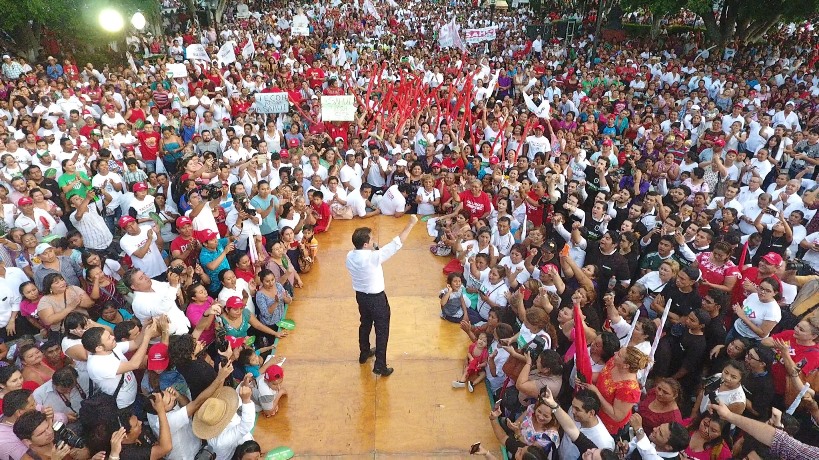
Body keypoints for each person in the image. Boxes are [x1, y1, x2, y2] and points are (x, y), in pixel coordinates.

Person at [346, 215, 419, 376]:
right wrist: (411, 224)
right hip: (376, 298)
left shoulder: (350, 256)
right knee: (382, 330)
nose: (373, 241)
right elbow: (396, 243)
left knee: (365, 323)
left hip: (361, 296)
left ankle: (364, 351)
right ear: (366, 244)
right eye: (371, 239)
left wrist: (374, 247)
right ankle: (380, 365)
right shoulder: (374, 257)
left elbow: (373, 251)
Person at [82, 318, 160, 410]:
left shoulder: (111, 347)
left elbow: (135, 343)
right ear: (99, 348)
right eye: (108, 338)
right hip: (124, 406)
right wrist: (146, 337)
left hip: (134, 396)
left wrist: (144, 328)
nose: (113, 337)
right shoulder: (98, 365)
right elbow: (134, 364)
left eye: (110, 335)